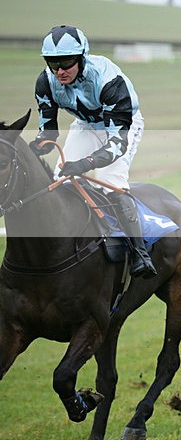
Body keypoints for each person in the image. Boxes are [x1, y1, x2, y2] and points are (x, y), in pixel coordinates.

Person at [29, 25, 157, 278]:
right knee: (60, 181)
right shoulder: (45, 82)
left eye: (66, 62)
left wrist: (86, 163)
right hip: (86, 125)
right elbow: (48, 135)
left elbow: (117, 144)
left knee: (110, 183)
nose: (59, 71)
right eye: (53, 63)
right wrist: (32, 149)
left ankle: (140, 253)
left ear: (81, 58)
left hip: (121, 127)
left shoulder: (110, 81)